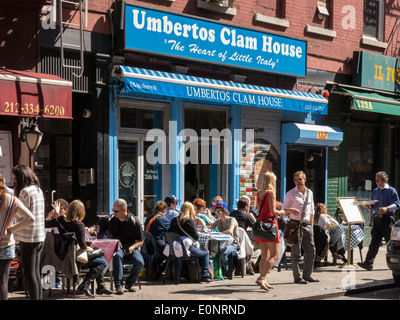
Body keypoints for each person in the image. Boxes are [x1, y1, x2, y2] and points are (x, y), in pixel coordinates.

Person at [45, 200, 113, 298]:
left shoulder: (59, 220)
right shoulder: (79, 225)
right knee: (102, 262)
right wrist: (91, 248)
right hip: (73, 260)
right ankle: (84, 285)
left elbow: (45, 224)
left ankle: (100, 286)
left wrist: (54, 214)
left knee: (99, 258)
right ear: (81, 212)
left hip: (59, 257)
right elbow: (83, 247)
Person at [12, 165, 46, 300]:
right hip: (39, 236)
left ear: (20, 176)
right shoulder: (37, 190)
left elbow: (23, 216)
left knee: (29, 274)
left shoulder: (24, 192)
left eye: (14, 176)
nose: (13, 178)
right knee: (36, 272)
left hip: (29, 237)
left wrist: (12, 227)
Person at [358, 171, 400, 271]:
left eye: (378, 179)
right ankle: (368, 263)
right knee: (374, 242)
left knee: (391, 242)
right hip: (376, 220)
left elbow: (397, 204)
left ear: (384, 180)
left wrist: (387, 208)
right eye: (375, 179)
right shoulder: (375, 191)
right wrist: (367, 205)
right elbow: (372, 205)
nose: (376, 181)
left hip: (386, 219)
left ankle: (397, 263)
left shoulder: (391, 191)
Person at [101, 199, 144, 295]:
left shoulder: (134, 221)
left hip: (130, 246)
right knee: (117, 256)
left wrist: (133, 247)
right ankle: (118, 285)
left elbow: (140, 241)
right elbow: (98, 227)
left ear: (124, 210)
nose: (114, 213)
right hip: (116, 246)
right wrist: (91, 228)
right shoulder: (111, 219)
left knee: (140, 262)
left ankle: (129, 283)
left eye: (116, 211)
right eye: (113, 210)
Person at [282, 170, 319, 284]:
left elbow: (312, 210)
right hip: (295, 225)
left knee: (311, 251)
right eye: (295, 180)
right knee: (296, 252)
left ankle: (307, 275)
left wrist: (311, 225)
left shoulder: (309, 193)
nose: (298, 182)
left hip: (307, 225)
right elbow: (283, 209)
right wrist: (290, 210)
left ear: (305, 180)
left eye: (300, 179)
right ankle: (297, 277)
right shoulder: (291, 193)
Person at [0, 181, 34, 300]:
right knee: (3, 282)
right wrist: (13, 229)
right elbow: (30, 218)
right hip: (6, 245)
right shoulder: (12, 200)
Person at [254, 172, 285, 291]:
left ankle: (264, 280)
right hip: (270, 226)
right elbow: (273, 211)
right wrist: (283, 212)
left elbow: (259, 209)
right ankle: (262, 278)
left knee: (264, 256)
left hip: (261, 225)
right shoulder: (271, 193)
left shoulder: (259, 193)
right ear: (273, 181)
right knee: (275, 255)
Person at [168, 202, 214, 283]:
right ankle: (205, 275)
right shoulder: (189, 220)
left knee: (200, 252)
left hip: (173, 249)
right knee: (205, 254)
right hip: (185, 249)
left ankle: (187, 274)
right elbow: (196, 237)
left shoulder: (173, 220)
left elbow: (170, 232)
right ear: (191, 210)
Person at [209, 201, 239, 274]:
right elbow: (210, 227)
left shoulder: (232, 220)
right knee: (210, 250)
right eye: (216, 212)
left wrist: (219, 233)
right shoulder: (218, 220)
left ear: (225, 211)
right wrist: (205, 229)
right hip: (221, 243)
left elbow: (230, 231)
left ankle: (229, 270)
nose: (217, 214)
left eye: (219, 211)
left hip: (233, 244)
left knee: (222, 253)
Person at [144, 200, 169, 280]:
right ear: (164, 210)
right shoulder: (162, 219)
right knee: (173, 254)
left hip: (148, 246)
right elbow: (171, 232)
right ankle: (159, 271)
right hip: (158, 246)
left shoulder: (148, 218)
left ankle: (155, 268)